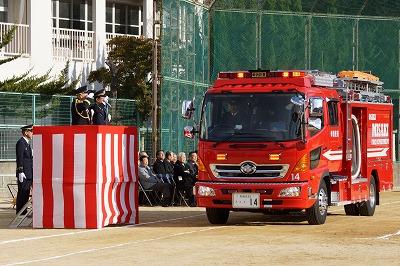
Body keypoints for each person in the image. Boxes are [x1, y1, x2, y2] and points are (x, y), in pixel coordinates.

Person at [15, 124, 33, 214]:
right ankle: (20, 212)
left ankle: (23, 212)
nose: (32, 133)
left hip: (29, 173)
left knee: (26, 194)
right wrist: (20, 171)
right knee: (22, 194)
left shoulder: (27, 143)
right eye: (31, 131)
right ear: (26, 132)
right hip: (24, 173)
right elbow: (20, 158)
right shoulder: (21, 142)